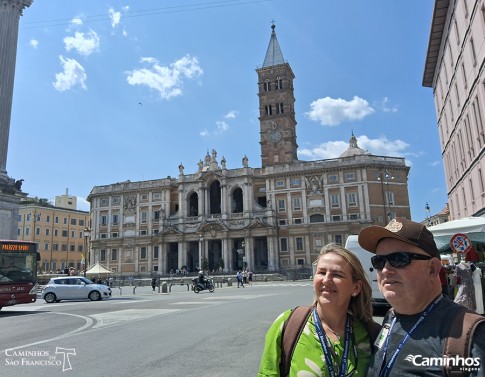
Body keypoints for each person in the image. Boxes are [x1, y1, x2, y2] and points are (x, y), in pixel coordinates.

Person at [358, 217, 485, 376]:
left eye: (399, 259)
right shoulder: (391, 317)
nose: (385, 270)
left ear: (433, 269)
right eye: (378, 261)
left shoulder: (470, 335)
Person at [258, 244, 380, 377]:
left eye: (337, 274)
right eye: (321, 272)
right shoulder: (287, 324)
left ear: (356, 288)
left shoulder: (372, 336)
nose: (326, 280)